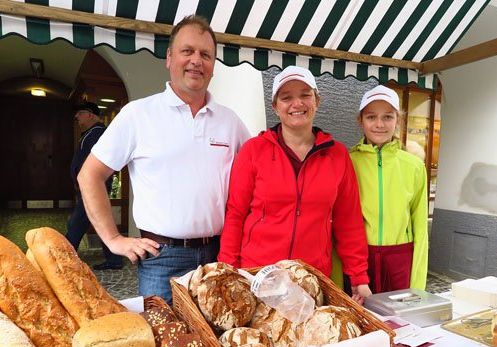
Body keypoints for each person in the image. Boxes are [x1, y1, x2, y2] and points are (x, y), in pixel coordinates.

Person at [77, 16, 250, 304]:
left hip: (218, 255)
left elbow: (255, 178)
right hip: (162, 260)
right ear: (169, 58)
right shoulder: (138, 114)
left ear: (214, 66)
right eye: (188, 51)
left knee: (213, 343)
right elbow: (89, 175)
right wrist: (113, 239)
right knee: (166, 344)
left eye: (205, 55)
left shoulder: (230, 122)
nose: (197, 60)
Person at [218, 66, 370, 303]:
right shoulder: (253, 151)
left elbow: (348, 221)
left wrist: (359, 277)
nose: (296, 103)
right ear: (275, 107)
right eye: (286, 97)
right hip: (258, 275)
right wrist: (228, 269)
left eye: (305, 95)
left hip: (311, 278)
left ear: (317, 100)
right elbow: (235, 214)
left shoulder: (337, 156)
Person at [335, 85, 428, 296]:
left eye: (387, 117)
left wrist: (418, 285)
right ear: (361, 121)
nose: (379, 124)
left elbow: (420, 227)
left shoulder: (413, 166)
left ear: (398, 120)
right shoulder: (347, 162)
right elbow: (338, 222)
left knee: (399, 323)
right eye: (371, 117)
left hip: (399, 259)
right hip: (358, 259)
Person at [66, 101, 123, 270]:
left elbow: (98, 165)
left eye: (80, 113)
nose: (76, 116)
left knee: (76, 223)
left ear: (90, 114)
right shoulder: (91, 133)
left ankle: (63, 257)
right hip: (88, 188)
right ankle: (114, 259)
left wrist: (88, 184)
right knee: (95, 220)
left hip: (92, 188)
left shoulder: (98, 134)